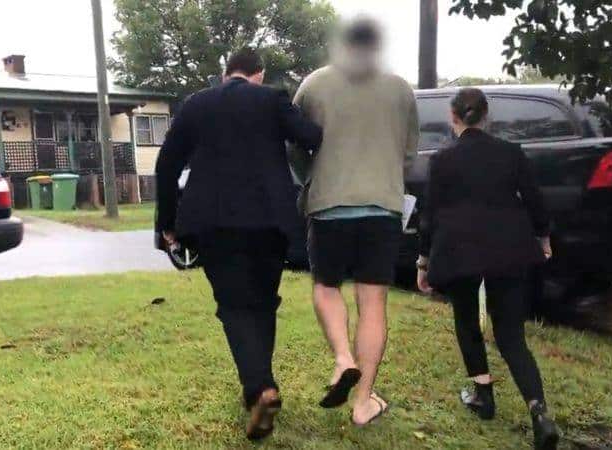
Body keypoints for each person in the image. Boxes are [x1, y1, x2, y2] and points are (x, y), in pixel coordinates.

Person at [154, 48, 322, 441]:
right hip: (270, 221)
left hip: (213, 222)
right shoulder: (272, 99)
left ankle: (261, 389)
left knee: (233, 305)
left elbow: (167, 164)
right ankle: (258, 389)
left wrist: (167, 223)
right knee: (263, 302)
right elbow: (311, 137)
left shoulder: (197, 104)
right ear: (258, 73)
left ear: (225, 72)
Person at [290, 18, 419, 426]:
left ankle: (343, 358)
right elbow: (409, 154)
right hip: (383, 207)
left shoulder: (314, 84)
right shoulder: (401, 89)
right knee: (373, 302)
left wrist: (312, 175)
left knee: (326, 287)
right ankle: (363, 403)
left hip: (330, 203)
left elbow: (295, 144)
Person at [416, 88, 559, 449]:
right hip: (509, 248)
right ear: (486, 116)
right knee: (511, 335)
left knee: (466, 321)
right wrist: (542, 238)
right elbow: (535, 200)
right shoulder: (511, 153)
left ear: (453, 117)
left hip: (458, 250)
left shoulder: (442, 160)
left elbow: (429, 215)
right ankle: (539, 411)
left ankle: (483, 395)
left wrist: (423, 260)